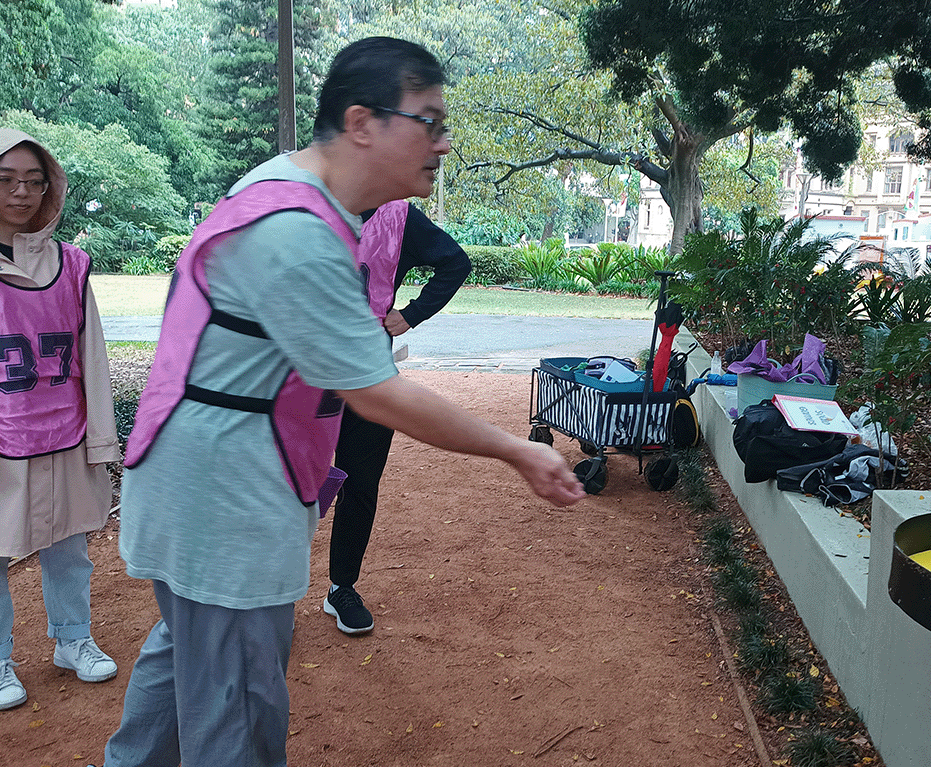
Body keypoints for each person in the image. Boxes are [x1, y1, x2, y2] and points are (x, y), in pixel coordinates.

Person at [98, 37, 584, 767]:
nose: (443, 143)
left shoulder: (281, 189)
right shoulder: (298, 233)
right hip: (223, 504)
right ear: (363, 122)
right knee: (236, 713)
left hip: (192, 488)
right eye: (429, 120)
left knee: (183, 668)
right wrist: (516, 448)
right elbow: (378, 393)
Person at [0, 131, 121, 711]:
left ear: (50, 186)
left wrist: (103, 436)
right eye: (6, 179)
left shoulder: (71, 264)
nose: (21, 192)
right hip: (3, 440)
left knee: (69, 547)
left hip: (65, 434)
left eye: (33, 180)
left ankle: (73, 641)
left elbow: (91, 354)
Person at [325, 200, 472, 634]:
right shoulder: (308, 201)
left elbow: (454, 263)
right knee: (286, 481)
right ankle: (270, 596)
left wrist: (410, 314)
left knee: (360, 482)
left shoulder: (398, 216)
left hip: (371, 376)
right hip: (301, 376)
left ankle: (341, 588)